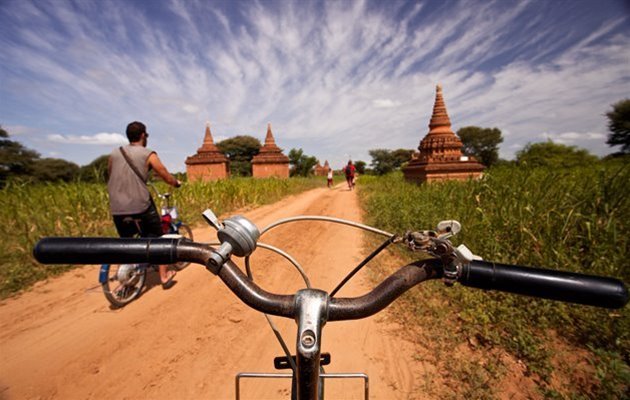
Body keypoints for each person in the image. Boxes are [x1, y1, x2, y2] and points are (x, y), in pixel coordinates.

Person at [107, 121, 181, 288]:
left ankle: (127, 274)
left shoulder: (114, 154)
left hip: (117, 207)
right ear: (143, 135)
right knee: (158, 239)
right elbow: (164, 175)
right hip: (141, 205)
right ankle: (163, 276)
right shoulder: (149, 154)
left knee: (126, 242)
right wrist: (176, 183)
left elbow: (110, 174)